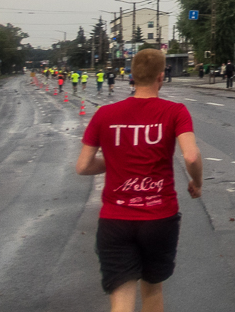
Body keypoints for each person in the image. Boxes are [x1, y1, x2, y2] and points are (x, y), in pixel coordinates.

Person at [75, 48, 202, 312]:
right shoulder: (175, 111)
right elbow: (190, 156)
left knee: (121, 300)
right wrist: (197, 183)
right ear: (160, 77)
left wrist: (117, 160)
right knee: (153, 291)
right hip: (159, 217)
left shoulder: (104, 115)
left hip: (115, 219)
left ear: (131, 76)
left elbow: (83, 166)